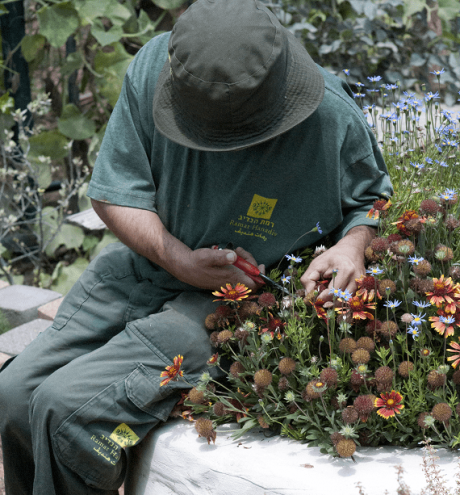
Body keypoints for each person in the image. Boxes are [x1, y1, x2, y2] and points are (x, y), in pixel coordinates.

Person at [0, 0, 393, 493]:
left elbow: (372, 199)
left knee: (69, 415)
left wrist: (352, 247)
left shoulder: (330, 115)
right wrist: (177, 259)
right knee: (13, 394)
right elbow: (112, 191)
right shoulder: (153, 65)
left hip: (234, 311)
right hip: (146, 272)